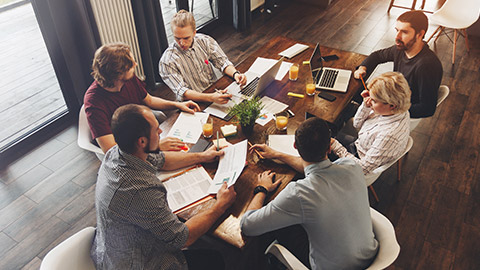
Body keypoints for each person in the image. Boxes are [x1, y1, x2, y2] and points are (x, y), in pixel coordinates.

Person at [90, 104, 236, 270]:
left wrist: (202, 156)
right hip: (138, 262)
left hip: (114, 247)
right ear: (142, 141)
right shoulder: (138, 190)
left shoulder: (119, 152)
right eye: (156, 129)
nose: (160, 133)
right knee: (217, 258)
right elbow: (182, 238)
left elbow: (161, 160)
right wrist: (220, 205)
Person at [242, 117, 378, 270]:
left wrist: (262, 189)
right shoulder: (352, 166)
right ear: (329, 147)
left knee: (277, 227)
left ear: (295, 146)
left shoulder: (298, 193)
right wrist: (277, 154)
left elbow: (247, 225)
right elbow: (317, 168)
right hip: (371, 256)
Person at [84, 43, 201, 153]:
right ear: (119, 75)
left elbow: (148, 100)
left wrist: (177, 104)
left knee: (161, 118)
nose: (135, 64)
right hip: (125, 144)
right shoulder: (93, 102)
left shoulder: (129, 79)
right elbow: (110, 149)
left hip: (138, 126)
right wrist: (156, 146)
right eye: (132, 63)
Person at [354, 10, 442, 118]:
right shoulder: (401, 49)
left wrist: (390, 110)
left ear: (420, 34)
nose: (397, 37)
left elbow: (427, 108)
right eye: (397, 30)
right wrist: (363, 68)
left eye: (404, 32)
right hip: (390, 100)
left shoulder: (427, 66)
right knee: (352, 94)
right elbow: (377, 56)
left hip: (397, 112)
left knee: (349, 102)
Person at [159, 10, 247, 104]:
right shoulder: (167, 61)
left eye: (186, 38)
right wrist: (211, 97)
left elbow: (222, 62)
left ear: (194, 33)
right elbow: (182, 92)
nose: (182, 43)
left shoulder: (205, 41)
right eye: (177, 38)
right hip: (192, 104)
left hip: (214, 94)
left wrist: (235, 74)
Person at [332, 72, 411, 175]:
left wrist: (336, 147)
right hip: (360, 145)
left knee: (319, 145)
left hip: (357, 160)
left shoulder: (388, 136)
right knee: (328, 133)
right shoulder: (397, 110)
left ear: (392, 105)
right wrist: (366, 105)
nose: (369, 101)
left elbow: (363, 169)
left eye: (373, 100)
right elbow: (356, 124)